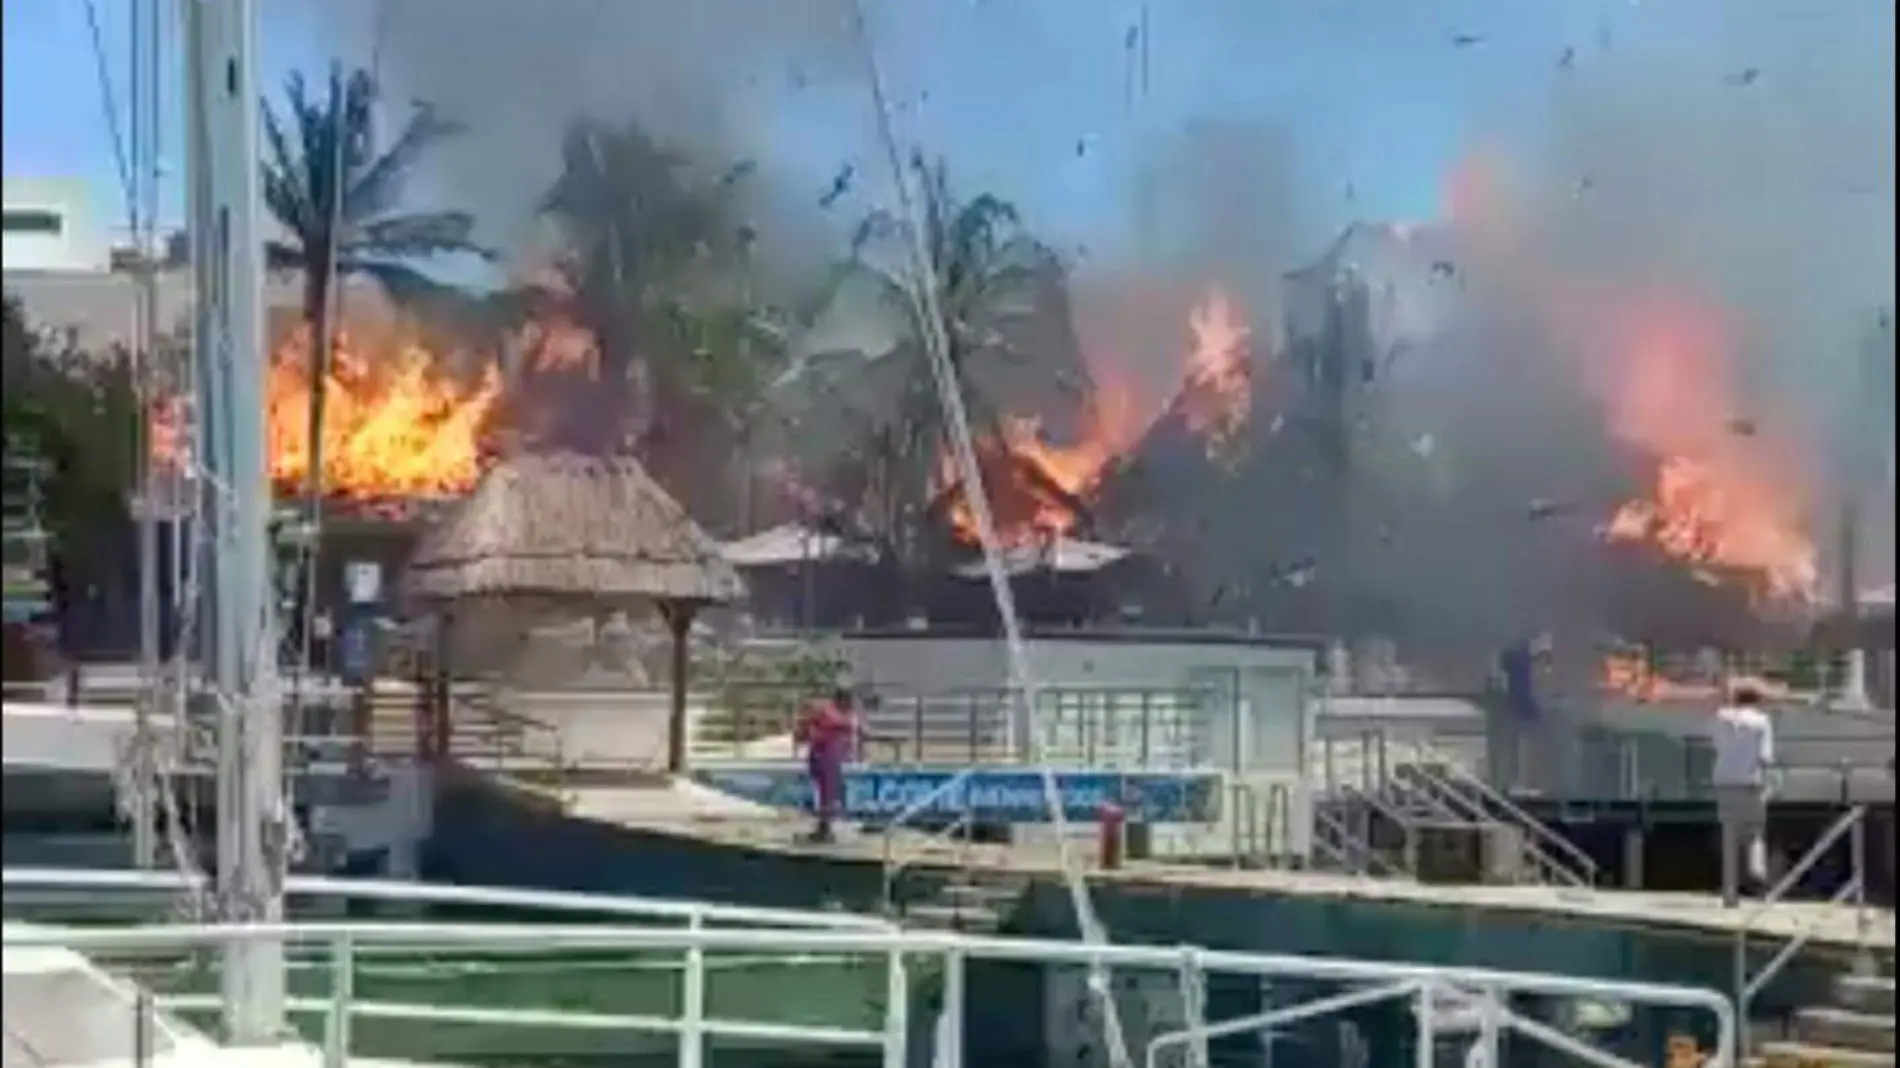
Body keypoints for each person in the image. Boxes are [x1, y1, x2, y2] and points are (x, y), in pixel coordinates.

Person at [1709, 684, 1775, 907]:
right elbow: (1765, 757)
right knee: (1755, 834)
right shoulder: (1762, 721)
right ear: (1756, 701)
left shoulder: (1721, 717)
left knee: (1729, 836)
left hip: (1724, 781)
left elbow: (1716, 744)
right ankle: (1758, 877)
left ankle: (1730, 895)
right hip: (1751, 782)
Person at [795, 688, 856, 844]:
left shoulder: (843, 713)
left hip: (831, 756)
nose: (849, 704)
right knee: (826, 792)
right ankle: (824, 828)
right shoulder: (829, 712)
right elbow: (809, 727)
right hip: (823, 755)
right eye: (847, 700)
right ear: (840, 700)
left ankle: (825, 827)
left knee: (829, 792)